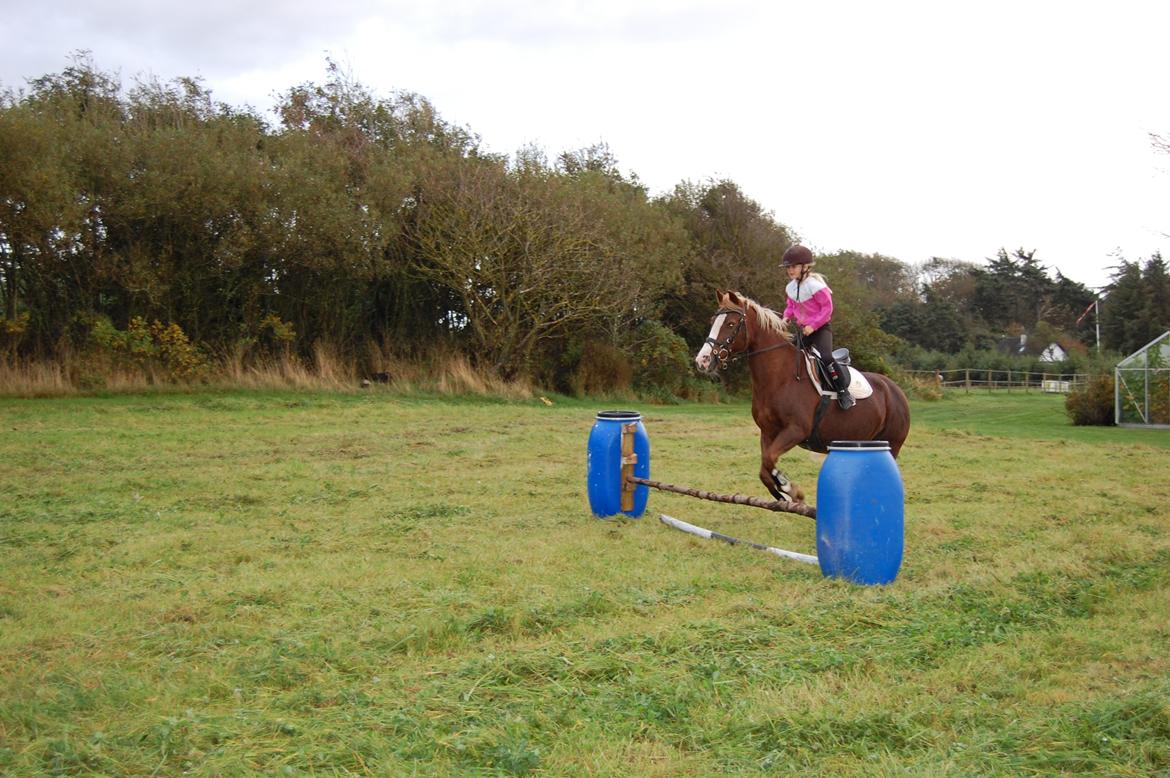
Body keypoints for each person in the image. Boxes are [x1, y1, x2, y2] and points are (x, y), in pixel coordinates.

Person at [780, 244, 854, 409]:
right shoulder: (790, 287)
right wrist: (786, 317)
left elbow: (827, 309)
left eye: (794, 266)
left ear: (805, 267)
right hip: (804, 331)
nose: (790, 270)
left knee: (826, 357)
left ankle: (843, 392)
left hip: (820, 329)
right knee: (789, 357)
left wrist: (813, 326)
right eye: (788, 267)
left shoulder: (816, 286)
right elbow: (791, 306)